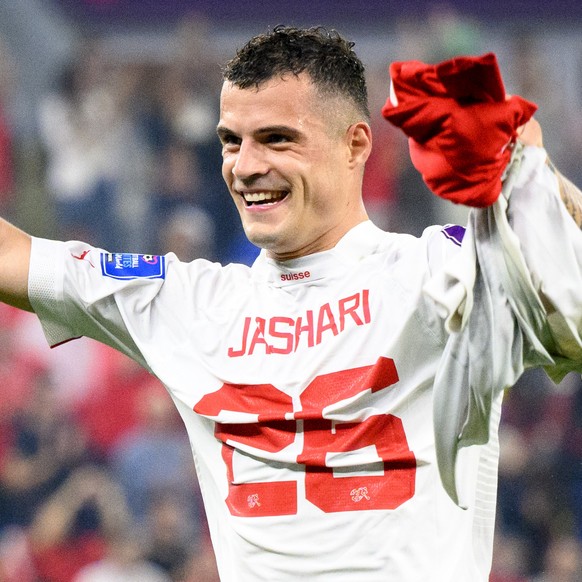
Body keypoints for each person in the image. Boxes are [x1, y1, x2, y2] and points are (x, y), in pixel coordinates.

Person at [1, 25, 582, 581]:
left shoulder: (445, 269)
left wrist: (527, 165)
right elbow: (13, 256)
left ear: (355, 145)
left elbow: (568, 296)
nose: (246, 166)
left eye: (277, 138)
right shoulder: (185, 301)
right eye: (232, 141)